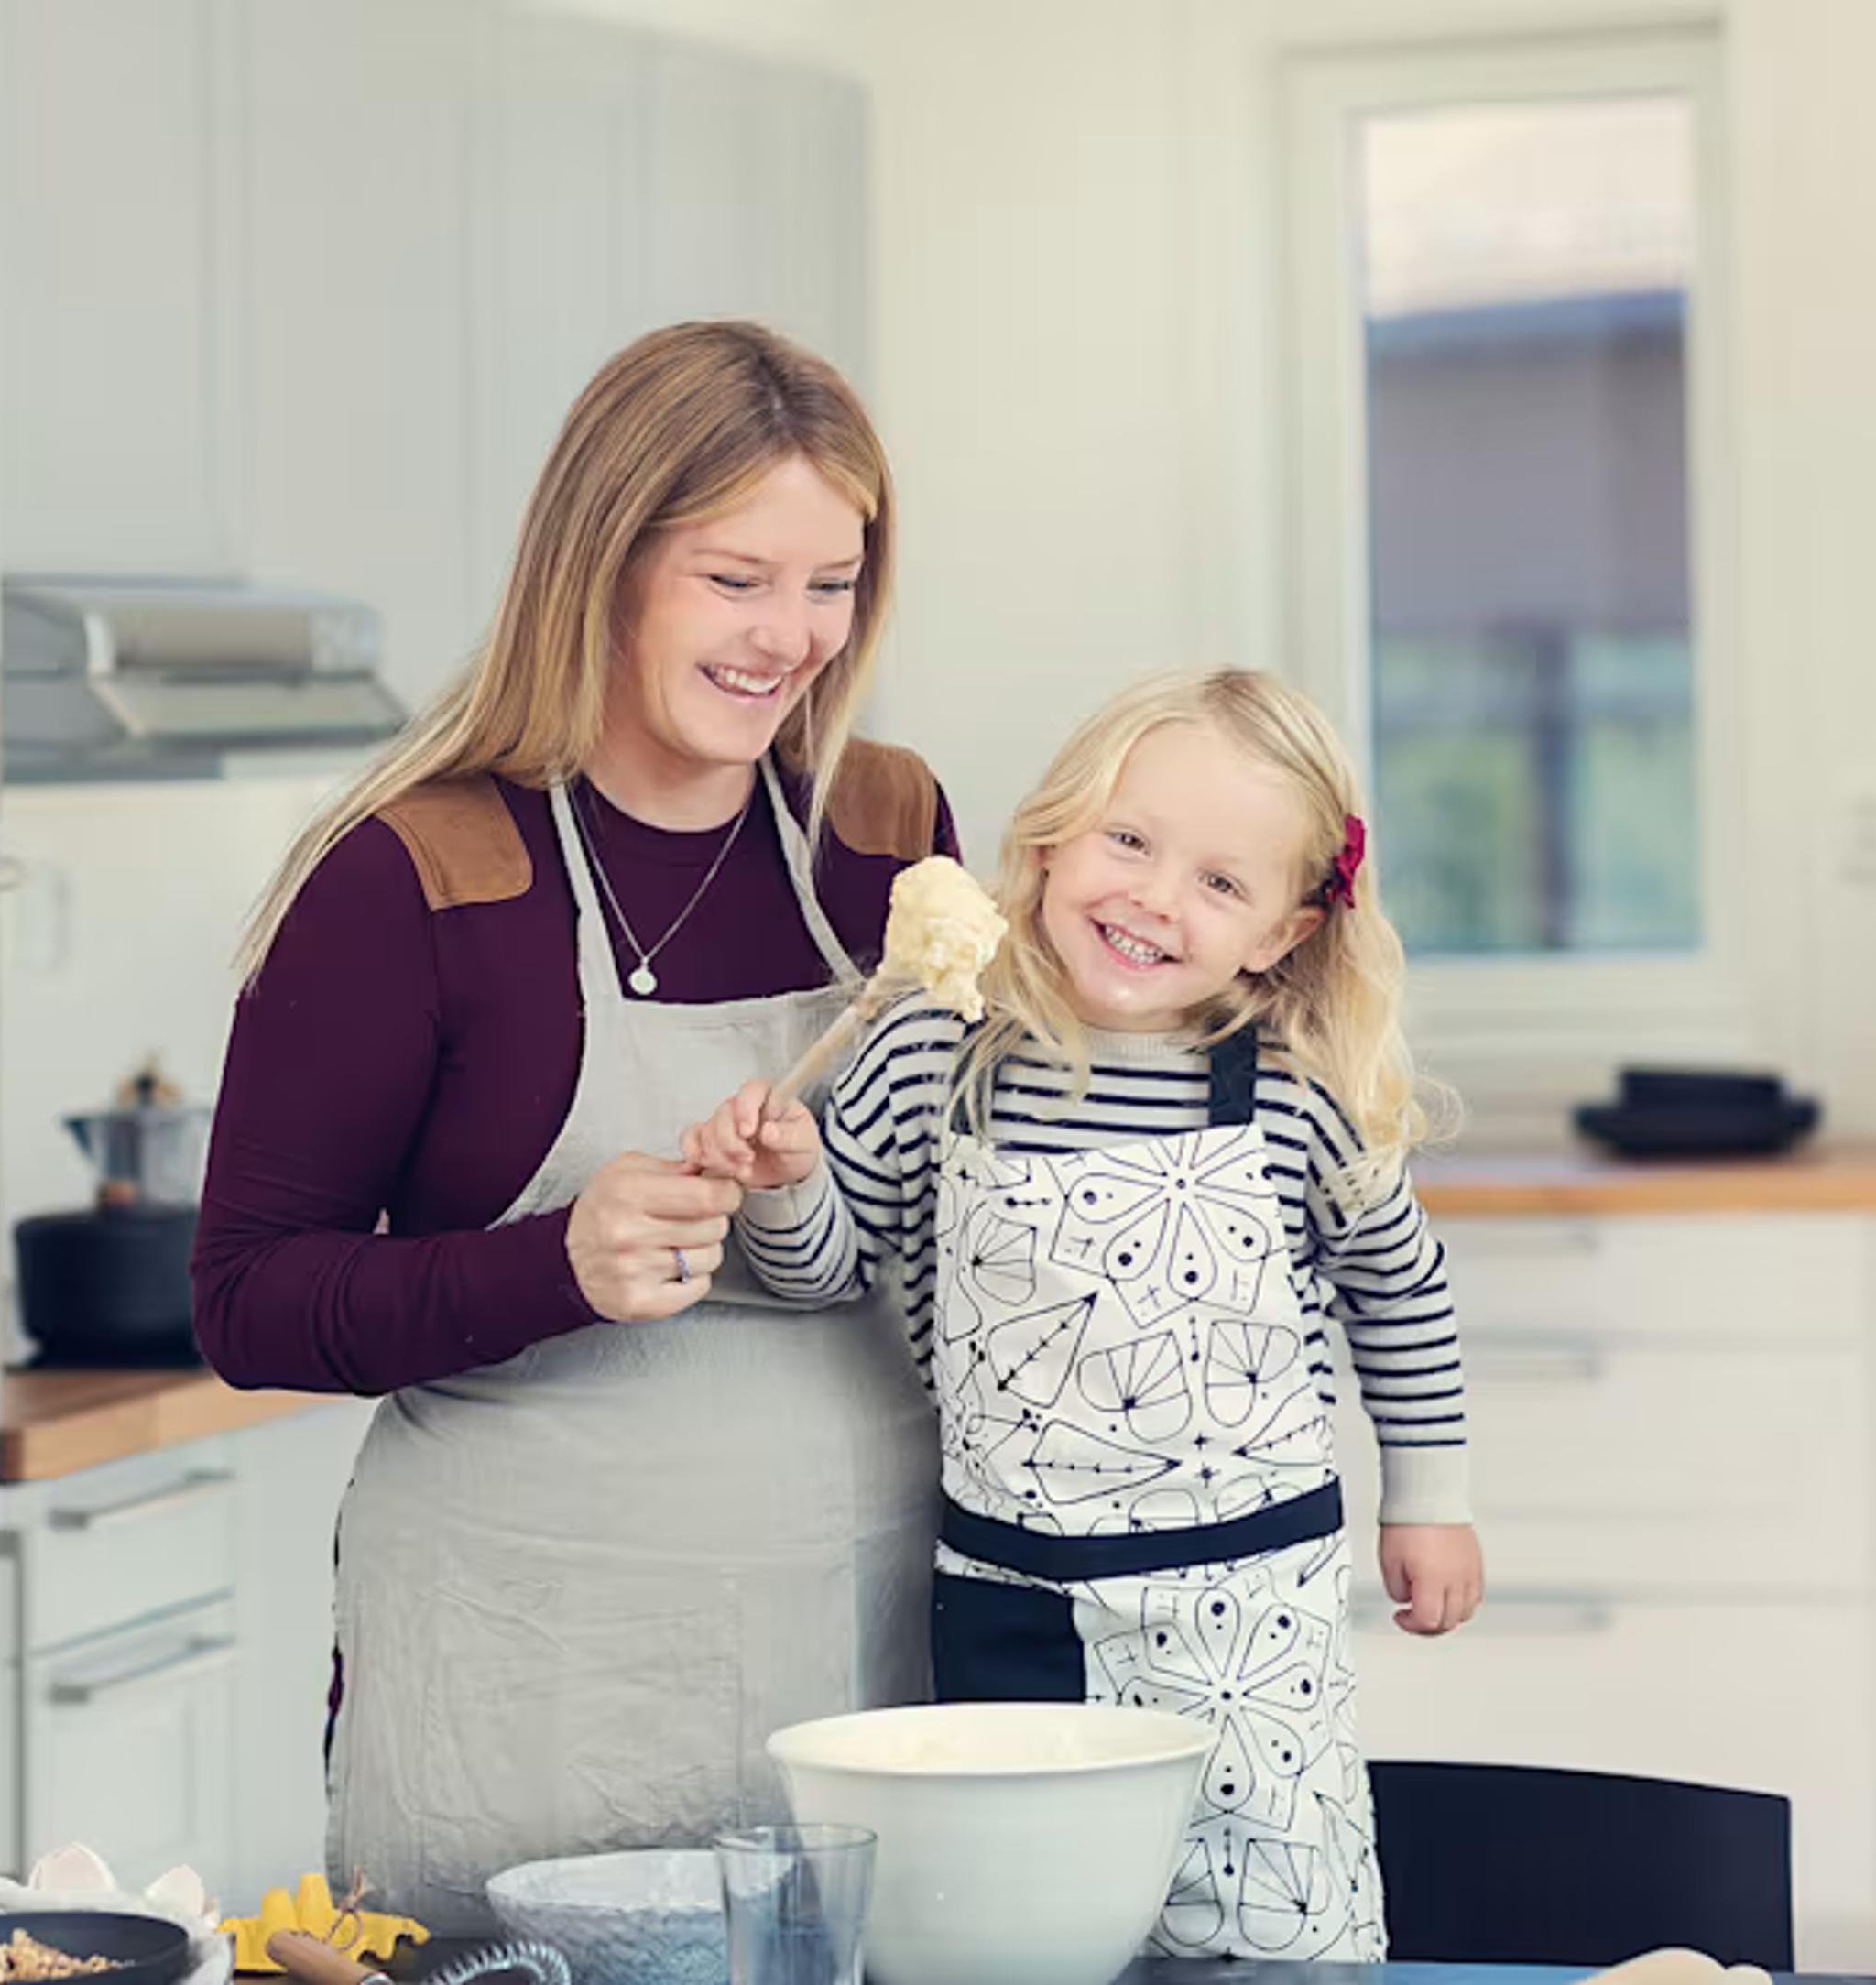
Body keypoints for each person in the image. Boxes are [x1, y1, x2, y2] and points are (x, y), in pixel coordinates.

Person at [191, 321, 952, 1931]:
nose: (793, 636)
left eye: (833, 583)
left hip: (863, 1643)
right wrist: (554, 1264)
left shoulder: (888, 831)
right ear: (602, 561)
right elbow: (248, 1301)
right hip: (529, 1676)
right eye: (736, 578)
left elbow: (950, 1216)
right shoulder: (416, 874)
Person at [689, 667, 1485, 1962]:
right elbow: (827, 1273)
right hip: (1014, 1597)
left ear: (1281, 933)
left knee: (1267, 1931)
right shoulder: (930, 1050)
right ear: (1052, 838)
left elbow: (1402, 1293)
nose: (1156, 900)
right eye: (1130, 841)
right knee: (1023, 1940)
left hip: (1247, 1610)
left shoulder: (1300, 1092)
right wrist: (783, 1186)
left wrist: (1430, 1500)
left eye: (1222, 883)